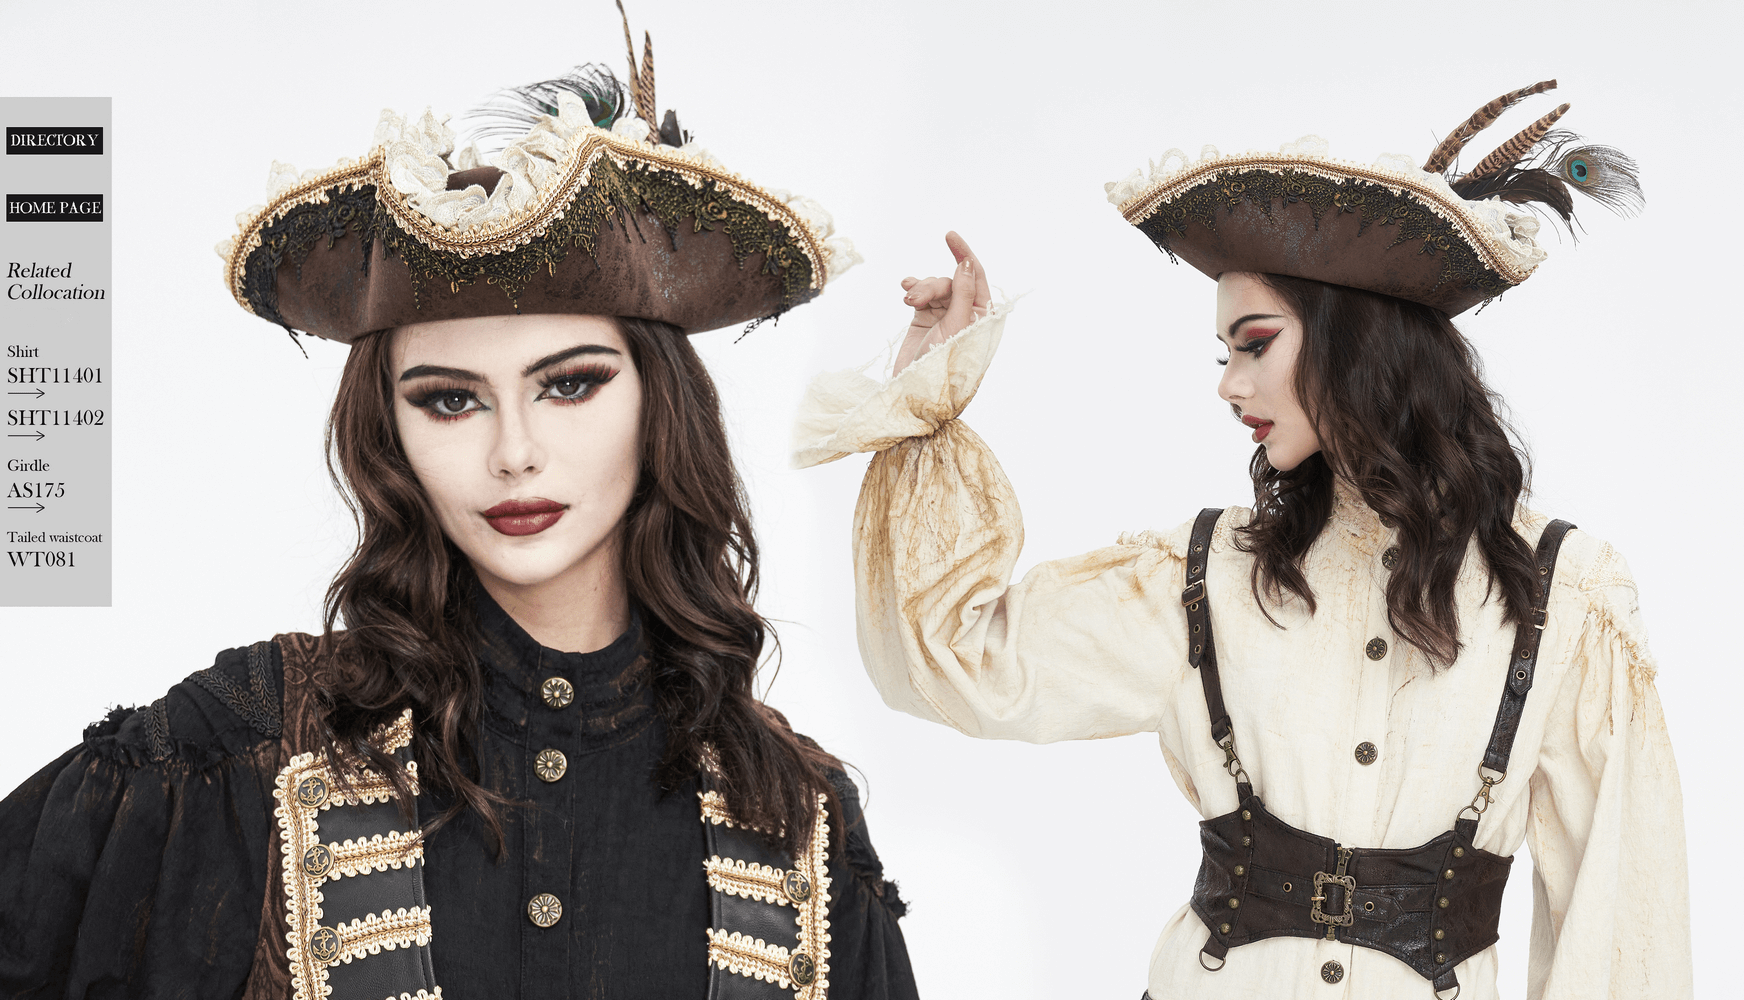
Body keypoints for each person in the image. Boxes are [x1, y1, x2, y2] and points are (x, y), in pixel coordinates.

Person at [0, 16, 916, 1000]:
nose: (512, 451)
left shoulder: (798, 821)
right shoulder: (240, 751)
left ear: (657, 403)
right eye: (449, 398)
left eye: (569, 385)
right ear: (389, 431)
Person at [794, 81, 1688, 998]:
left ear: (1358, 342)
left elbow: (1618, 927)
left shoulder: (1566, 597)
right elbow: (960, 660)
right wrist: (926, 392)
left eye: (1253, 344)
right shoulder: (1207, 576)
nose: (1229, 384)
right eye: (1224, 353)